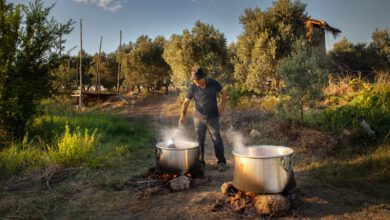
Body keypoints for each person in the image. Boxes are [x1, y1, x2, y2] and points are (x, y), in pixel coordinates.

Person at [179, 67, 228, 172]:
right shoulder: (193, 87)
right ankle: (200, 163)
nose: (196, 82)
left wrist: (222, 106)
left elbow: (224, 92)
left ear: (203, 77)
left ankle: (222, 162)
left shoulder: (213, 83)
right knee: (199, 141)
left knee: (217, 139)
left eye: (197, 80)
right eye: (194, 80)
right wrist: (182, 117)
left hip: (213, 117)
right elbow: (185, 103)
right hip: (198, 119)